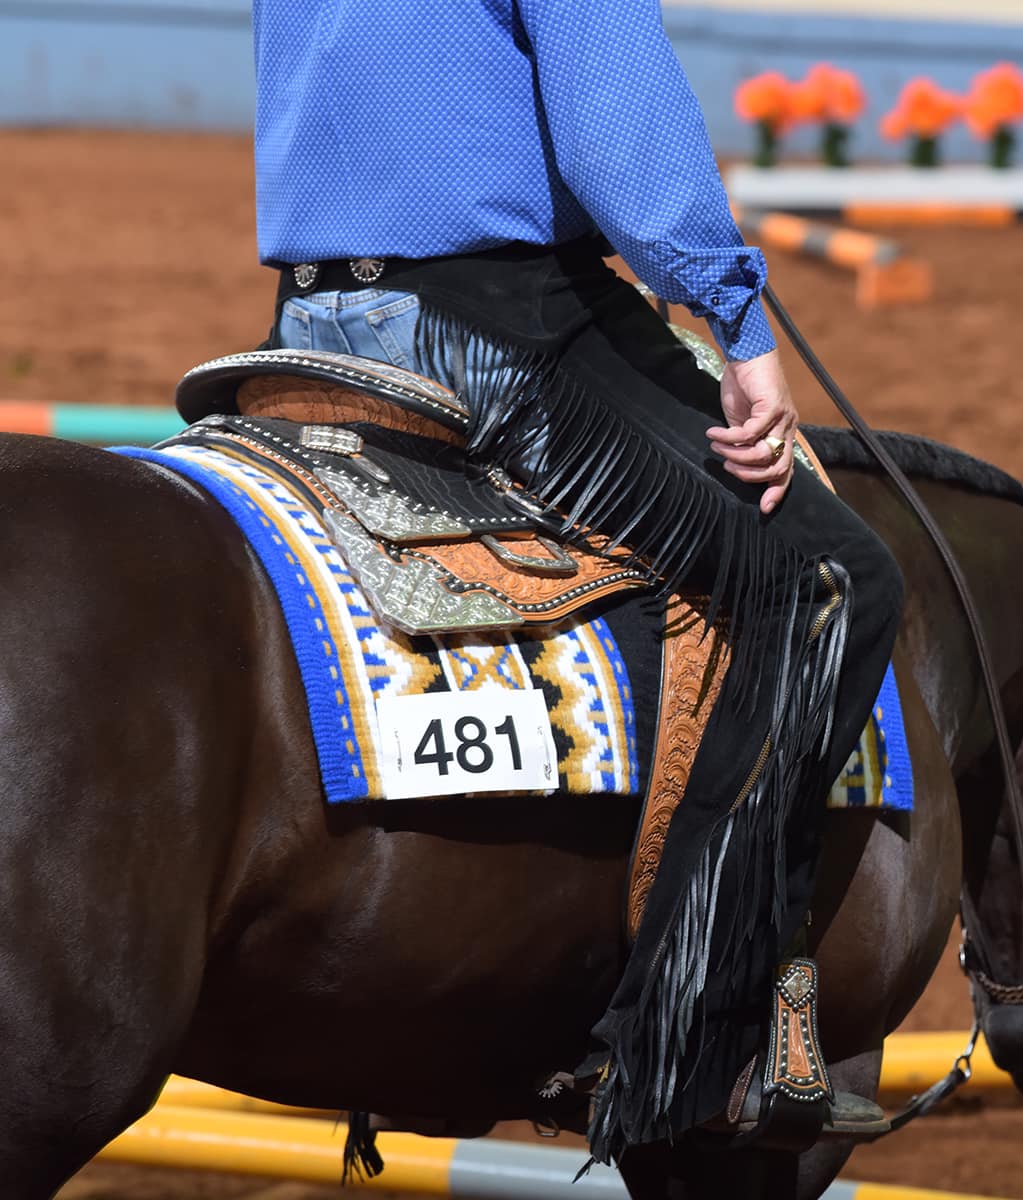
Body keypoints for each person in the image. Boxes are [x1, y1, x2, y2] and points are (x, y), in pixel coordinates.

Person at [251, 0, 903, 1163]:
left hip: (312, 315)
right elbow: (620, 133)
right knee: (827, 580)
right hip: (493, 326)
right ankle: (698, 1031)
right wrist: (740, 321)